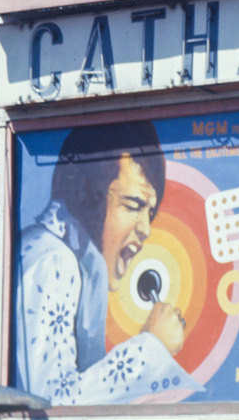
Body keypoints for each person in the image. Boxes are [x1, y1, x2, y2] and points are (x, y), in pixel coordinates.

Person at [15, 121, 197, 404]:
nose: (145, 229)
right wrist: (153, 347)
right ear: (89, 195)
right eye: (133, 205)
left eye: (149, 213)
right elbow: (53, 404)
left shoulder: (80, 263)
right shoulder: (53, 260)